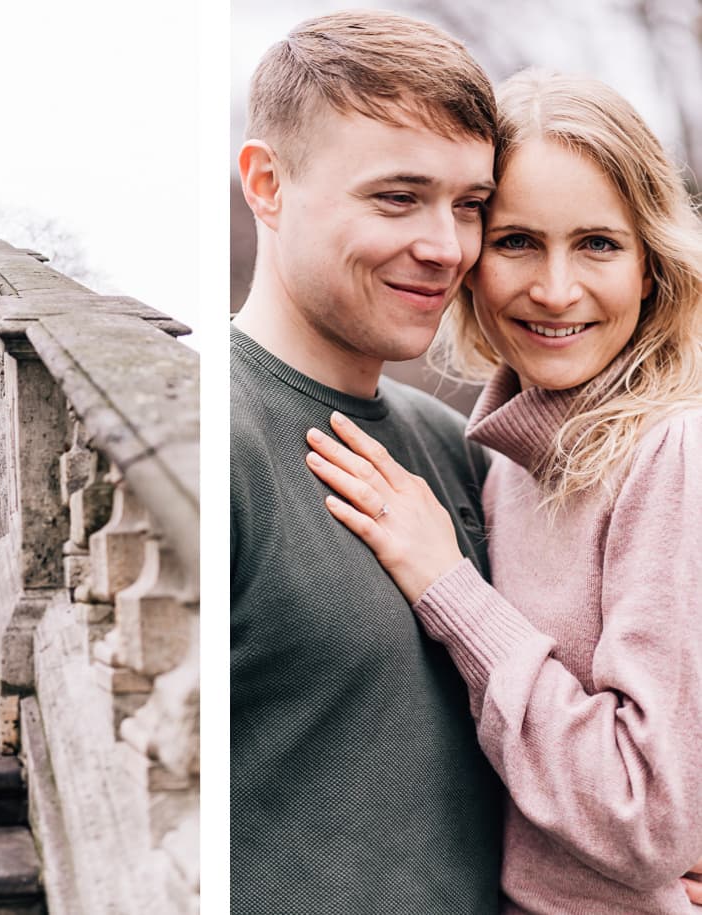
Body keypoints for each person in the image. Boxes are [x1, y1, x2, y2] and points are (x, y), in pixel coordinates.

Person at [306, 70, 702, 915]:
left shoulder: (672, 451)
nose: (555, 290)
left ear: (651, 266)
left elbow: (644, 819)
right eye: (519, 241)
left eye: (599, 243)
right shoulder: (508, 466)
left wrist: (450, 588)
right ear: (470, 262)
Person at [229, 11, 505, 913]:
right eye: (397, 197)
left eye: (470, 204)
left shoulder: (462, 446)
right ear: (266, 184)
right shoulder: (212, 441)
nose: (446, 246)